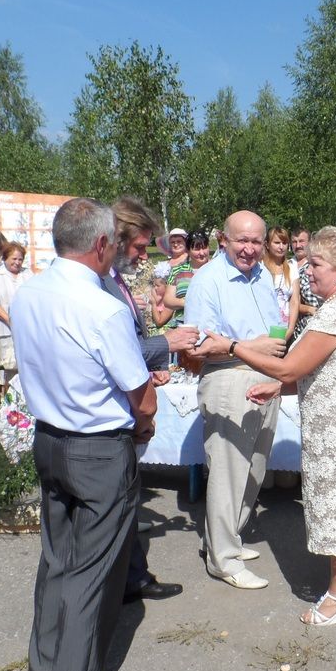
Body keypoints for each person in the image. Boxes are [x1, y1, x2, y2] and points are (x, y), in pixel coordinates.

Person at [197, 226, 336, 625]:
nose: (306, 272)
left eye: (315, 264)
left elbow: (290, 365)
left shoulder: (335, 315)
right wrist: (279, 388)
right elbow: (321, 371)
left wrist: (231, 346)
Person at [12, 197, 154, 671]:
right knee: (91, 578)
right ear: (100, 244)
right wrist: (145, 423)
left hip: (50, 439)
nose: (117, 250)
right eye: (115, 243)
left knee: (57, 562)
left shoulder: (29, 293)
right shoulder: (102, 306)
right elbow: (143, 394)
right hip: (97, 450)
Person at [184, 210, 287, 590]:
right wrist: (252, 347)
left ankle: (227, 538)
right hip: (229, 380)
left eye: (255, 241)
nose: (248, 248)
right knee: (229, 472)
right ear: (222, 240)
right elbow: (195, 348)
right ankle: (222, 560)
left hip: (265, 379)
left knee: (254, 468)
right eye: (241, 240)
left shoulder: (262, 276)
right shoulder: (207, 280)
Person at [106, 197, 195, 605]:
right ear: (114, 238)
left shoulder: (114, 278)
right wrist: (166, 344)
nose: (144, 256)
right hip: (107, 420)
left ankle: (133, 577)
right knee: (117, 506)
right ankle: (123, 585)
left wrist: (153, 361)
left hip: (126, 400)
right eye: (140, 247)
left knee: (127, 502)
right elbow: (114, 349)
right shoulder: (101, 285)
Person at [0, 242, 33, 384]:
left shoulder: (28, 274)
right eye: (14, 259)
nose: (17, 263)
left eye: (20, 259)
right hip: (4, 328)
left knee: (25, 366)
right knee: (5, 366)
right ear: (6, 258)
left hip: (26, 329)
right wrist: (10, 320)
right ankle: (3, 396)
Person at [157, 230, 211, 328]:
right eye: (197, 249)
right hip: (184, 324)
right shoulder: (178, 270)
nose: (202, 253)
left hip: (212, 323)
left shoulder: (216, 269)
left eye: (204, 247)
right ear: (188, 250)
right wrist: (189, 302)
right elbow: (168, 300)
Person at [263, 226, 299, 339]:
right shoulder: (260, 267)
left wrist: (290, 329)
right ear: (267, 244)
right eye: (277, 242)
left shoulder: (292, 267)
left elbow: (295, 301)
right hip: (263, 327)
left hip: (284, 328)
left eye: (284, 243)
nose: (281, 247)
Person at [291, 227, 319, 339]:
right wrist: (308, 309)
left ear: (310, 243)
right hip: (297, 327)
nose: (298, 245)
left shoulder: (317, 264)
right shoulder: (287, 266)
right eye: (294, 242)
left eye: (301, 241)